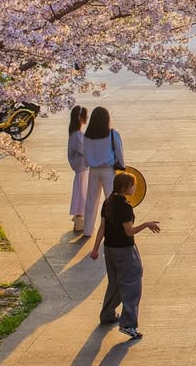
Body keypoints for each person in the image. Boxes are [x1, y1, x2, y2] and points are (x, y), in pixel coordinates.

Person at [90, 171, 160, 339]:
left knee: (115, 282)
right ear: (124, 188)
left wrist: (95, 248)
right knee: (132, 285)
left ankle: (107, 314)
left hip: (109, 249)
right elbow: (128, 232)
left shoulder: (108, 202)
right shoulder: (126, 207)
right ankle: (128, 325)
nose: (135, 188)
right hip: (125, 250)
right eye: (132, 185)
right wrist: (146, 224)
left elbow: (102, 228)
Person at [82, 106, 124, 239]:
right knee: (111, 200)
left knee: (91, 200)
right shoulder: (112, 134)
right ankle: (114, 228)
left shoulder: (87, 136)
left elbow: (85, 155)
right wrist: (122, 165)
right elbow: (119, 151)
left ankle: (88, 229)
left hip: (93, 170)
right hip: (108, 170)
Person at [67, 105, 89, 232]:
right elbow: (84, 150)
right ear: (80, 118)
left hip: (81, 168)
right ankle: (79, 218)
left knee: (81, 192)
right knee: (81, 193)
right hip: (82, 168)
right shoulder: (77, 135)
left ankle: (79, 217)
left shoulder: (75, 134)